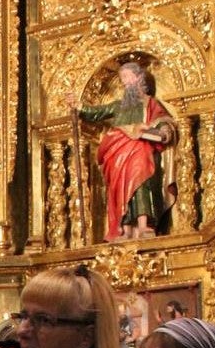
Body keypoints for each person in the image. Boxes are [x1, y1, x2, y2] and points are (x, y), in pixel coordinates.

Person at [69, 61, 177, 241]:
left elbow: (164, 120)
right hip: (117, 154)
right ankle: (124, 229)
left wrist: (164, 131)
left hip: (142, 150)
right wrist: (78, 106)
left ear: (139, 78)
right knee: (120, 189)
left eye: (127, 77)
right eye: (122, 79)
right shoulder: (118, 106)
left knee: (142, 181)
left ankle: (145, 225)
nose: (124, 82)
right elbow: (95, 112)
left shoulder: (150, 103)